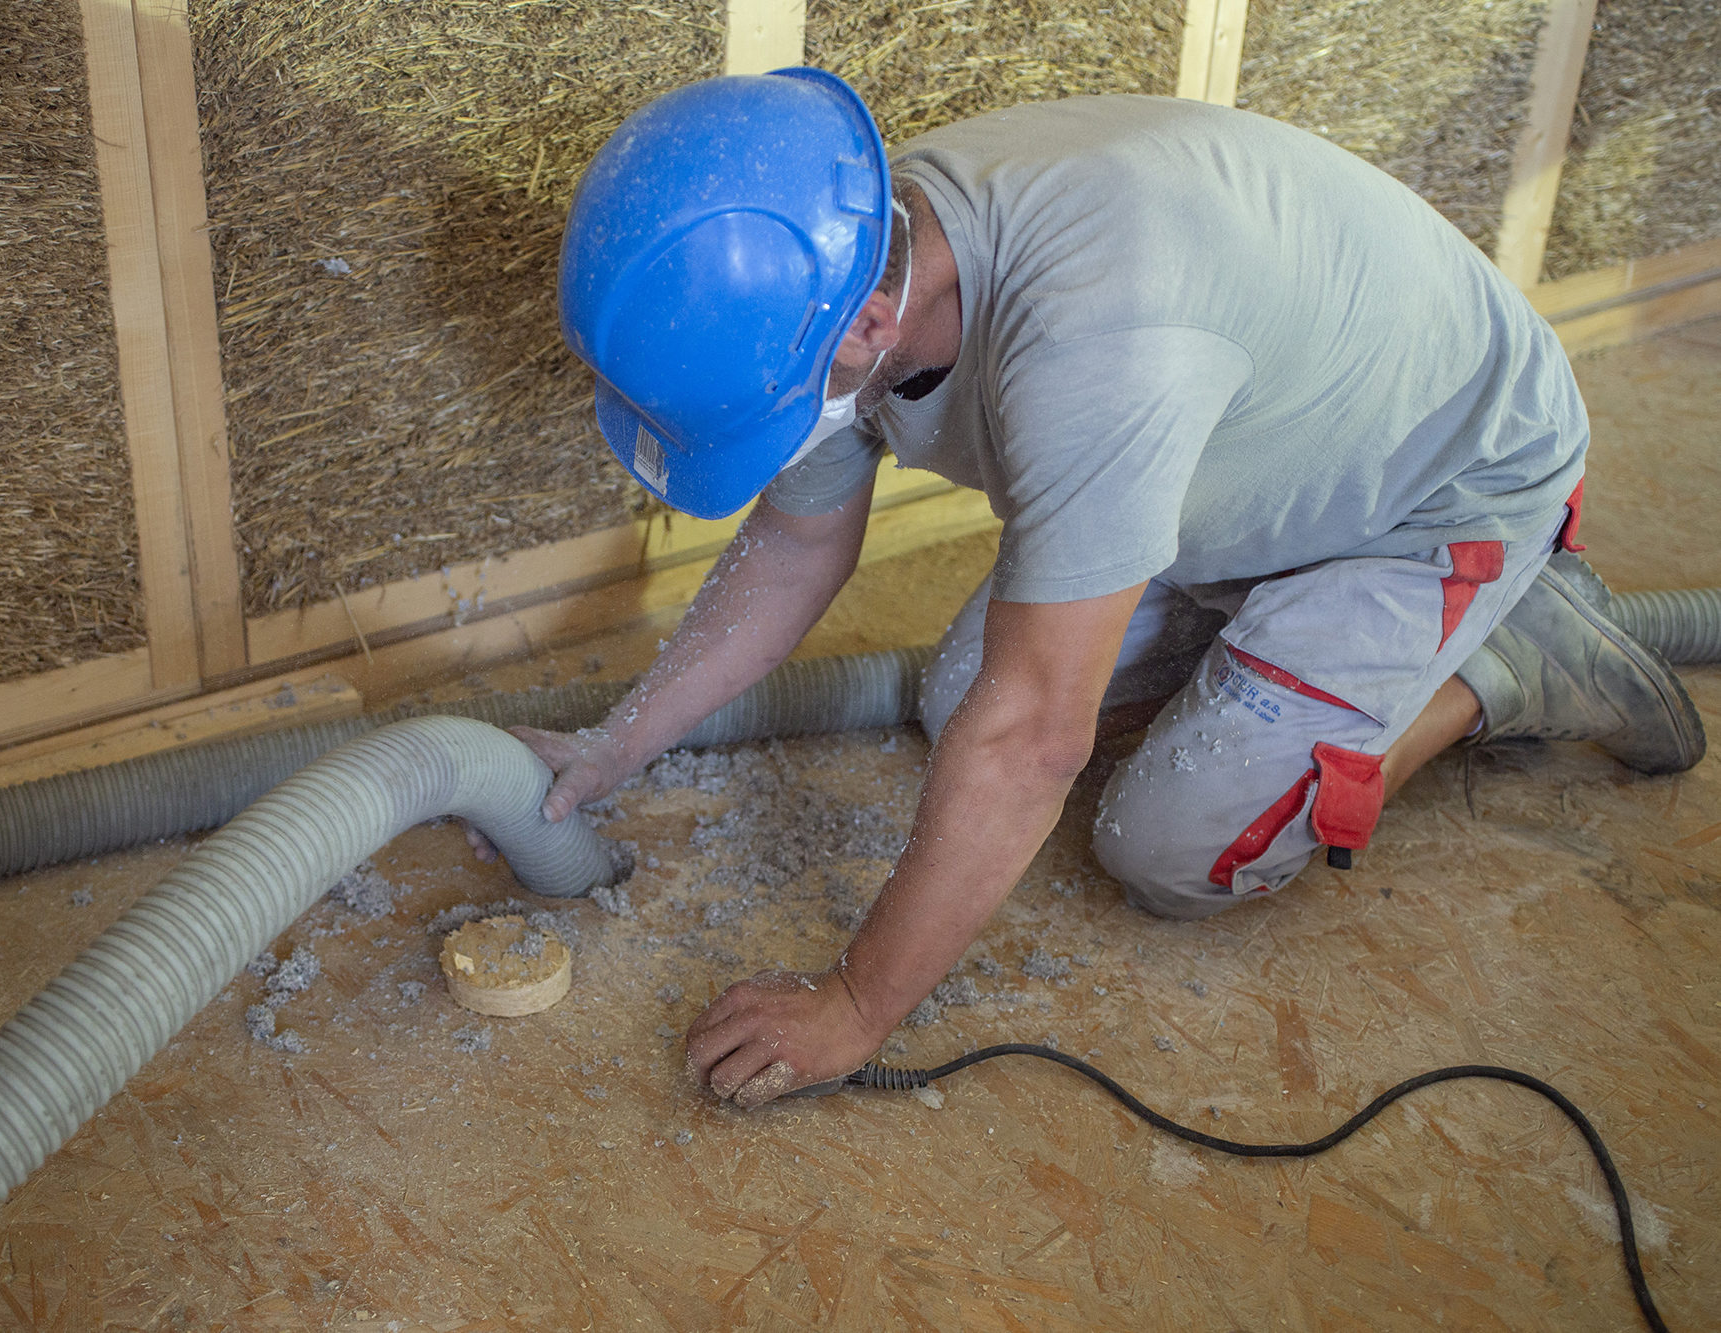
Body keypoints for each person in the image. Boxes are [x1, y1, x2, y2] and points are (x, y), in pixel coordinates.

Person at [493, 68, 1705, 1109]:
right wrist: (614, 747)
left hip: (1431, 493)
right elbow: (800, 548)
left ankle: (1503, 662)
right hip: (1248, 446)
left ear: (866, 322)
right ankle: (1274, 656)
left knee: (1165, 847)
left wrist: (858, 1003)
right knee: (956, 693)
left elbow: (1031, 745)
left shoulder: (1094, 346)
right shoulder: (852, 242)